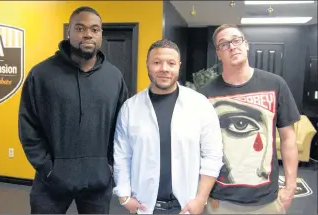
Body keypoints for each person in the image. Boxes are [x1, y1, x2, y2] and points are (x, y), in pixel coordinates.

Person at [18, 6, 129, 214]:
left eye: (95, 29)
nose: (88, 34)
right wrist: (48, 169)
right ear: (69, 32)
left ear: (101, 35)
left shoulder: (114, 78)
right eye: (80, 28)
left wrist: (110, 167)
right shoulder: (41, 75)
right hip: (50, 183)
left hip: (98, 182)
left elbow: (122, 129)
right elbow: (28, 125)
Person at [113, 39, 224, 214]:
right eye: (157, 62)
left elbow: (213, 155)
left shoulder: (199, 104)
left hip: (185, 205)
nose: (164, 68)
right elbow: (121, 154)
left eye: (171, 63)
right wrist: (124, 196)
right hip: (144, 205)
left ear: (178, 66)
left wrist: (201, 199)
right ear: (147, 65)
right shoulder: (130, 108)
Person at [199, 24, 300, 214]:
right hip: (220, 200)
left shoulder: (275, 84)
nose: (232, 46)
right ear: (218, 54)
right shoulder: (206, 94)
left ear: (246, 45)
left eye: (237, 40)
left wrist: (290, 186)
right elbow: (200, 147)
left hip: (267, 201)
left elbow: (288, 139)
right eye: (224, 44)